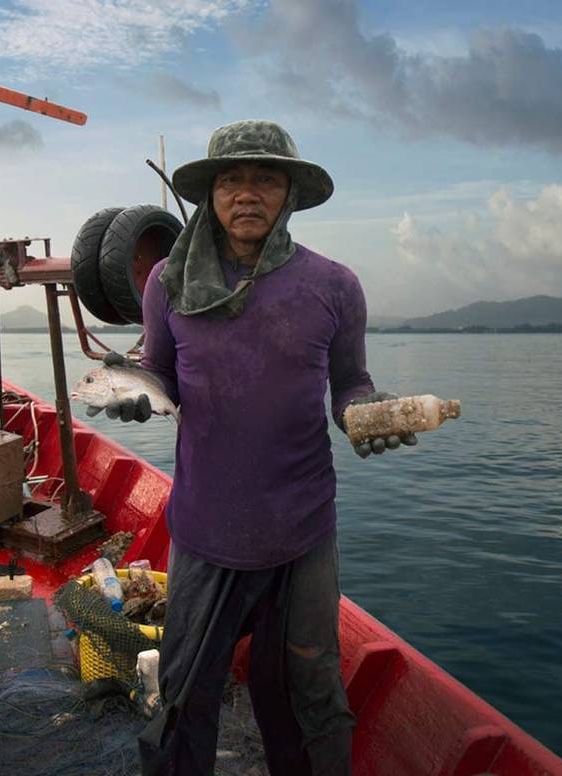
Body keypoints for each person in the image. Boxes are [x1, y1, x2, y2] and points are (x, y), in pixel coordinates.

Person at [98, 120, 414, 775]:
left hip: (303, 528)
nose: (248, 193)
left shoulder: (334, 286)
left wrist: (365, 416)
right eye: (232, 179)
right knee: (187, 694)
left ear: (290, 193)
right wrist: (132, 388)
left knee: (310, 689)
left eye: (266, 178)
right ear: (211, 194)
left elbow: (350, 383)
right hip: (207, 529)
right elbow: (157, 370)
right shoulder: (167, 283)